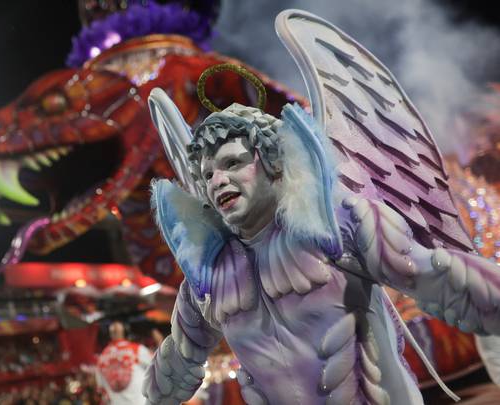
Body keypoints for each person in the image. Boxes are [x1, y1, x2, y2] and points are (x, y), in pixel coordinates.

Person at [142, 11, 500, 404]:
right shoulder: (208, 279)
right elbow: (175, 367)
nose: (217, 181)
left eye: (232, 163)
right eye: (207, 175)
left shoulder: (338, 224)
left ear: (273, 162)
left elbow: (437, 276)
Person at [96, 321, 152, 405]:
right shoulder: (137, 349)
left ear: (109, 335)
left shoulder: (102, 358)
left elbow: (101, 388)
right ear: (125, 332)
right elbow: (158, 368)